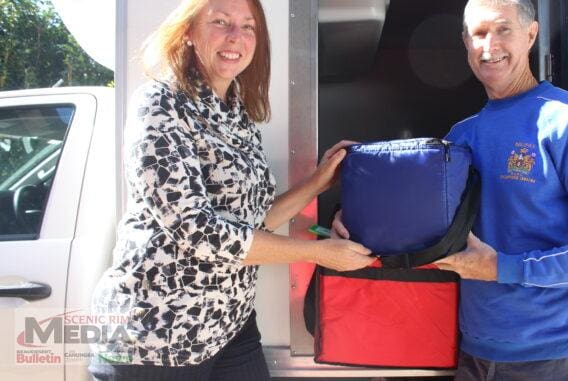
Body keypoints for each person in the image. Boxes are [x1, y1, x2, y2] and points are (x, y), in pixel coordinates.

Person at [332, 0, 568, 380]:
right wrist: (356, 227)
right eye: (478, 33)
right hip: (472, 352)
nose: (489, 45)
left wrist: (502, 268)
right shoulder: (462, 135)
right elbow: (424, 229)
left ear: (531, 34)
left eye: (503, 29)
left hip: (549, 358)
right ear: (465, 42)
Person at [88, 0, 373, 379]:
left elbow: (253, 222)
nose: (235, 37)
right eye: (220, 22)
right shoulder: (161, 104)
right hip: (158, 336)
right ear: (188, 32)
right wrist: (319, 253)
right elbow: (197, 231)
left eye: (248, 26)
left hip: (228, 324)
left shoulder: (238, 115)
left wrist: (318, 181)